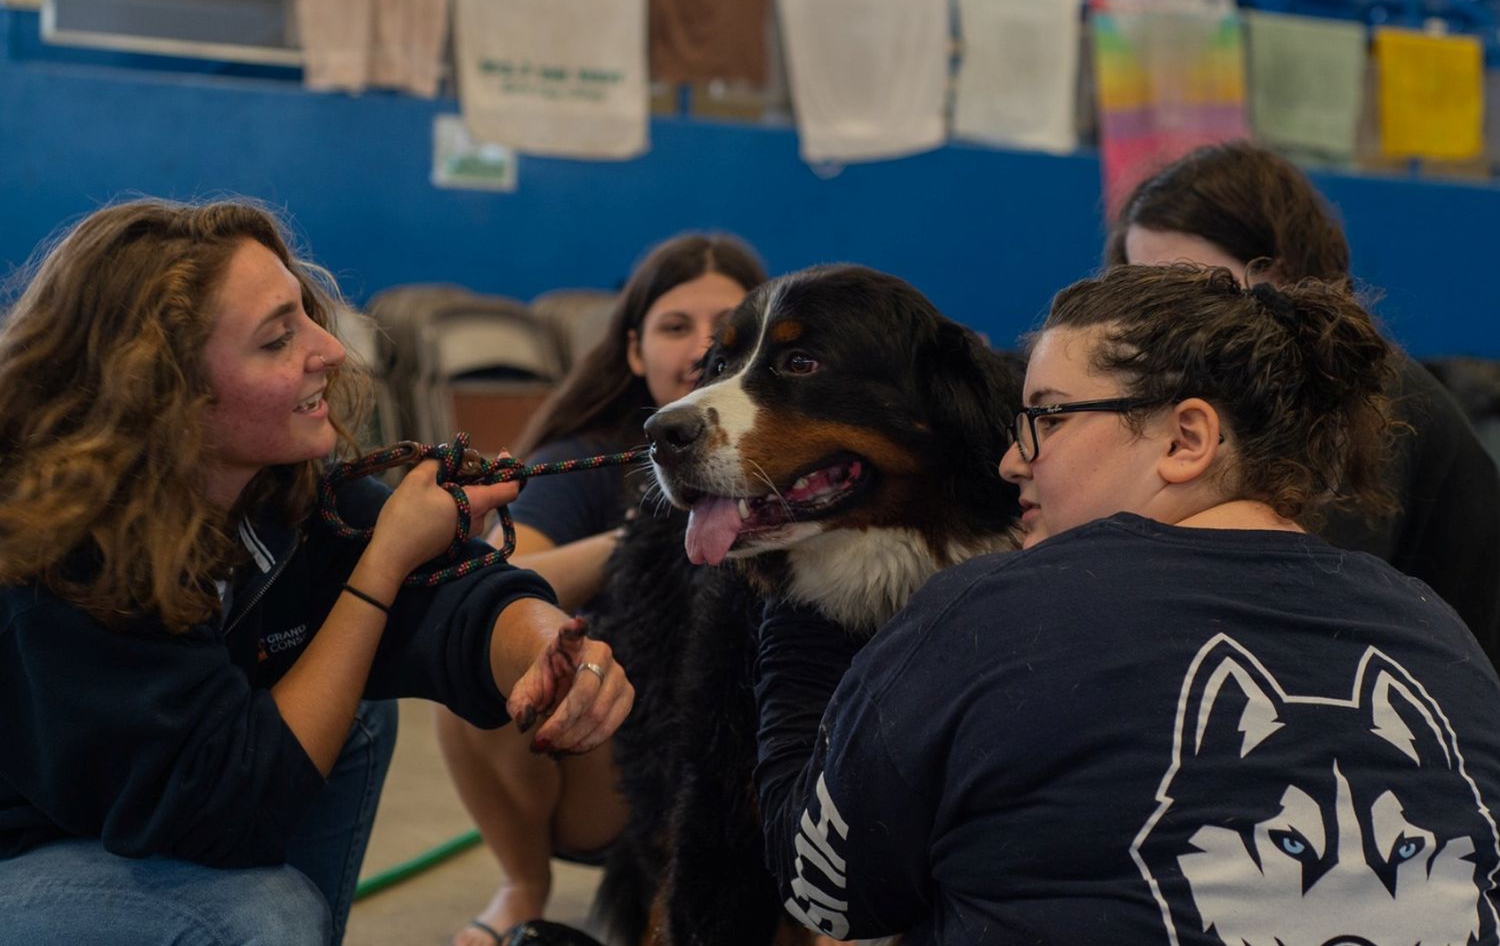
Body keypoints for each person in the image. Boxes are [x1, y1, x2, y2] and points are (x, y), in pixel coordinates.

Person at [754, 263, 1500, 943]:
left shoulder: (994, 613)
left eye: (1049, 417)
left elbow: (826, 890)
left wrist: (798, 606)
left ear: (1186, 439)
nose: (1013, 458)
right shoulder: (1437, 633)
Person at [0, 199, 634, 946]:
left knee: (353, 708)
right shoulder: (62, 554)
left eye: (306, 314)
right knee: (262, 915)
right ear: (165, 391)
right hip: (24, 852)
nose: (330, 350)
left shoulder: (276, 487)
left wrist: (549, 649)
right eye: (277, 339)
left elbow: (452, 590)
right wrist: (383, 562)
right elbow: (224, 813)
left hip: (121, 813)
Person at [437, 233, 769, 946]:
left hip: (762, 749)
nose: (699, 348)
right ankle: (522, 885)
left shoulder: (787, 453)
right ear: (633, 351)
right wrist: (642, 539)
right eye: (674, 327)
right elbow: (489, 582)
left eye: (724, 330)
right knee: (474, 656)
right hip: (613, 764)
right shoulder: (586, 458)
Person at [1108, 140, 1500, 664]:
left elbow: (1305, 602)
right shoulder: (1217, 393)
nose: (1164, 316)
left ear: (1280, 274)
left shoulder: (1361, 395)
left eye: (1193, 285)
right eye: (1146, 287)